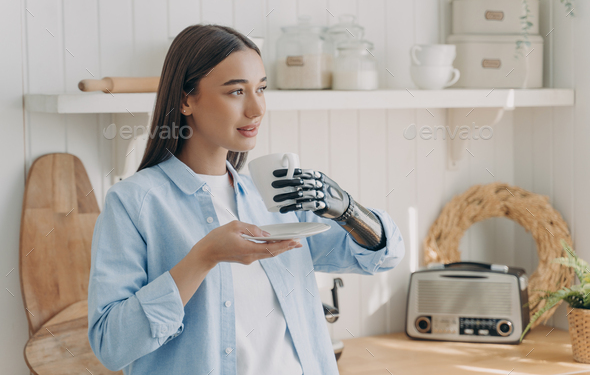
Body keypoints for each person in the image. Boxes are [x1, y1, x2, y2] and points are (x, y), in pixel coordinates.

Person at [87, 24, 405, 375]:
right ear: (186, 99)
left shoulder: (273, 198)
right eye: (236, 92)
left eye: (261, 89)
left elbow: (381, 257)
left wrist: (348, 210)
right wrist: (203, 258)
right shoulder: (134, 204)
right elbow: (111, 346)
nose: (256, 109)